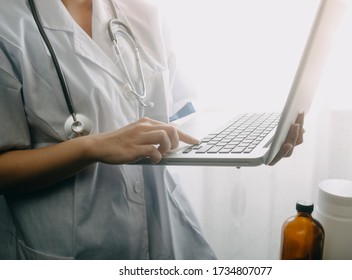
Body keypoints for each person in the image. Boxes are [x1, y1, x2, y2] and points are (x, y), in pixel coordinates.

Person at [0, 0, 304, 260]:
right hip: (71, 245)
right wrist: (90, 148)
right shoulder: (9, 23)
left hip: (163, 232)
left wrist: (244, 144)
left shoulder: (140, 8)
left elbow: (179, 113)